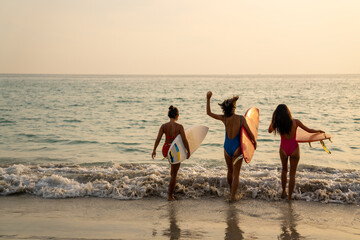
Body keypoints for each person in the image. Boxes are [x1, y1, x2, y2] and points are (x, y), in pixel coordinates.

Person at [206, 91, 257, 201]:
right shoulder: (241, 119)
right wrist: (254, 143)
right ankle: (233, 197)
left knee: (230, 171)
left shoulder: (224, 118)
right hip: (237, 148)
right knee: (236, 174)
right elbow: (249, 133)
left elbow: (209, 113)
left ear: (224, 109)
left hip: (226, 148)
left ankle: (231, 192)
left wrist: (208, 98)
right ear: (234, 108)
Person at [268, 104, 324, 200]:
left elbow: (269, 130)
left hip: (283, 149)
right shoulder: (296, 122)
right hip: (294, 149)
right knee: (292, 174)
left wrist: (274, 119)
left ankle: (284, 192)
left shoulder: (277, 123)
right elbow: (309, 130)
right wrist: (318, 131)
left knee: (284, 170)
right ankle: (289, 197)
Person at [152, 105, 191, 201]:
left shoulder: (164, 126)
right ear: (177, 115)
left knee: (172, 171)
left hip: (165, 150)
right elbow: (184, 140)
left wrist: (154, 150)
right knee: (174, 174)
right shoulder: (179, 127)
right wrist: (188, 150)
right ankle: (170, 196)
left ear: (169, 115)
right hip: (174, 151)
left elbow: (158, 139)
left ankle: (171, 189)